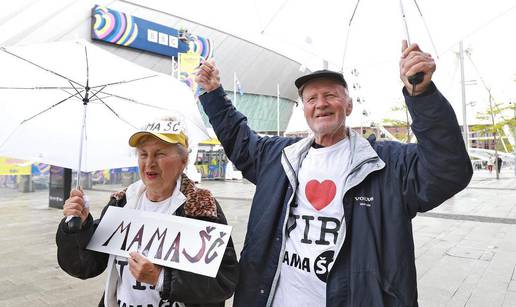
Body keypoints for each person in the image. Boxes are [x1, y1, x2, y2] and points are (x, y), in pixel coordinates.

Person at [195, 41, 472, 307]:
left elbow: (448, 169)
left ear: (348, 106)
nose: (320, 104)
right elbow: (239, 138)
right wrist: (213, 93)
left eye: (330, 95)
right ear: (303, 109)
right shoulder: (279, 157)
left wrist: (421, 94)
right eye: (311, 98)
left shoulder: (387, 163)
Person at [56, 116, 239, 307]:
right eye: (143, 154)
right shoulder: (122, 203)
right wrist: (77, 227)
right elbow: (84, 266)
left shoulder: (201, 207)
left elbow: (223, 282)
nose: (149, 163)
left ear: (184, 160)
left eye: (160, 154)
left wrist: (161, 278)